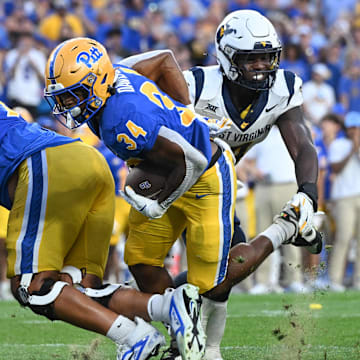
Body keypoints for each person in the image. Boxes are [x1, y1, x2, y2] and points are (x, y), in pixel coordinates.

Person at [44, 34, 321, 360]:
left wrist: (160, 200)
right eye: (63, 96)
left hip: (205, 174)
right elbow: (163, 58)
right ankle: (182, 324)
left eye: (74, 94)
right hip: (167, 165)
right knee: (141, 262)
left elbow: (193, 158)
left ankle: (282, 230)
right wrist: (185, 109)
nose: (67, 104)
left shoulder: (124, 117)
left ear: (99, 81)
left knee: (213, 283)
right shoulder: (117, 74)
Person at [120, 9, 320, 360]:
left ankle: (198, 347)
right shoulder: (195, 84)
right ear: (227, 58)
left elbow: (302, 142)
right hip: (170, 182)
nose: (261, 66)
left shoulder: (284, 88)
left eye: (266, 57)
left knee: (221, 273)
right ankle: (174, 321)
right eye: (251, 59)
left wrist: (308, 191)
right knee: (141, 262)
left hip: (214, 186)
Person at [0, 102, 206, 360]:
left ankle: (133, 337)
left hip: (48, 164)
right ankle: (168, 306)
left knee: (31, 286)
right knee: (78, 287)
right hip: (88, 161)